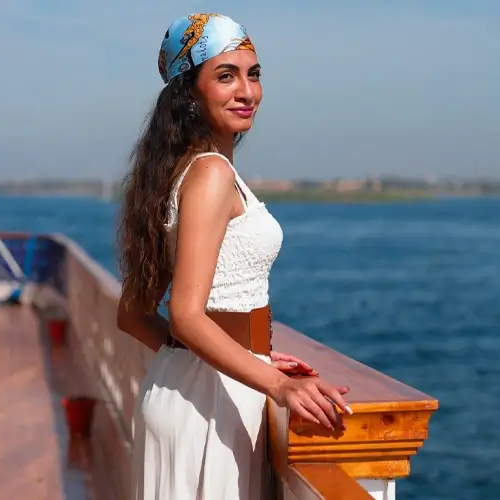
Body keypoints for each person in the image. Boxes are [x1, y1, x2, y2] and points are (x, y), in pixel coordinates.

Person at [115, 13, 353, 500]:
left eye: (254, 74)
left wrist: (243, 350)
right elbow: (183, 315)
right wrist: (276, 384)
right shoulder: (210, 175)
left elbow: (134, 315)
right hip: (208, 406)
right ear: (190, 93)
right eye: (226, 76)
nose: (247, 91)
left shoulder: (183, 171)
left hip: (201, 388)